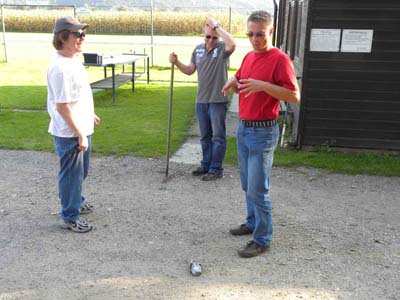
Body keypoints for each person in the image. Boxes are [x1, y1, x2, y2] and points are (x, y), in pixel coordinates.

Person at [222, 10, 300, 257]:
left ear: (271, 32)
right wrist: (233, 81)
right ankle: (253, 222)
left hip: (264, 132)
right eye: (251, 34)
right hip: (244, 129)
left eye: (260, 34)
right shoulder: (248, 56)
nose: (255, 38)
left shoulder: (280, 59)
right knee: (247, 184)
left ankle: (263, 239)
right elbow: (241, 76)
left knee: (258, 188)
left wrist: (264, 86)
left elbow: (294, 96)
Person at [47, 16, 100, 233]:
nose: (82, 38)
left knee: (80, 172)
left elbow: (78, 96)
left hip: (80, 127)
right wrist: (79, 133)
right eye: (77, 34)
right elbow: (62, 106)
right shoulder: (60, 68)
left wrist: (90, 114)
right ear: (63, 37)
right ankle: (70, 216)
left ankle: (75, 200)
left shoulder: (73, 61)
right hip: (70, 132)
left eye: (83, 34)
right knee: (71, 174)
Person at [169, 18, 236, 181]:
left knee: (218, 136)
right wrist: (176, 62)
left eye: (214, 37)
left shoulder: (222, 49)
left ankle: (216, 169)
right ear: (203, 35)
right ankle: (205, 164)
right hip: (201, 100)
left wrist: (217, 27)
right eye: (208, 37)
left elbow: (232, 44)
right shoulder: (197, 50)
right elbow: (190, 70)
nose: (211, 40)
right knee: (205, 135)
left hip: (218, 100)